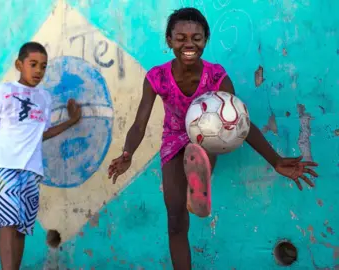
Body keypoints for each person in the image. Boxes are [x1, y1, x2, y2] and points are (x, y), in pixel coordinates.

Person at [107, 8, 318, 270]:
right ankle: (192, 189)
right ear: (169, 40)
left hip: (208, 137)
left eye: (196, 38)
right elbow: (140, 124)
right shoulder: (157, 77)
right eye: (181, 37)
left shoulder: (217, 76)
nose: (189, 44)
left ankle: (199, 176)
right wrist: (128, 153)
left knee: (217, 132)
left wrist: (275, 160)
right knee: (175, 219)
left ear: (206, 40)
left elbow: (240, 124)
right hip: (173, 139)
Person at [0, 42, 82, 270]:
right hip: (5, 168)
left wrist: (72, 121)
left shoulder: (45, 99)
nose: (39, 70)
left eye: (43, 66)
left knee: (20, 228)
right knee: (6, 225)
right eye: (33, 64)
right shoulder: (4, 91)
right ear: (19, 65)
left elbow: (43, 134)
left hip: (31, 171)